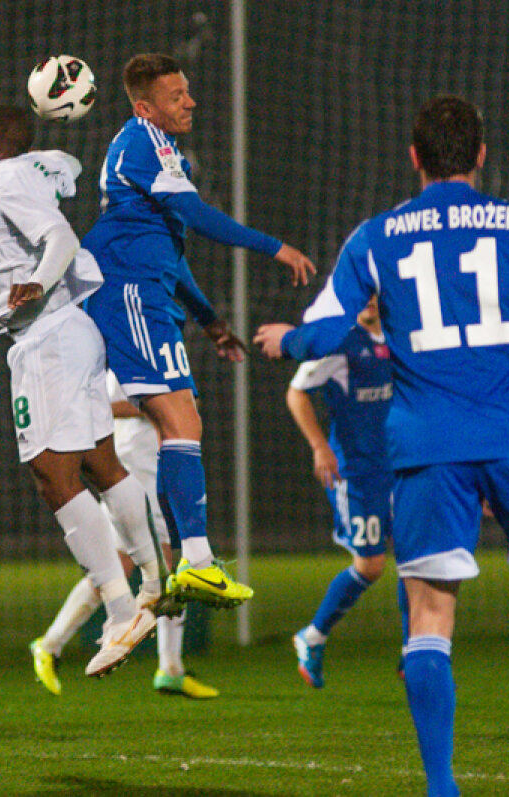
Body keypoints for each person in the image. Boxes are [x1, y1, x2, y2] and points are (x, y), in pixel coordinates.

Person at [254, 95, 509, 797]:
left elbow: (325, 333)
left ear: (414, 158)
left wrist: (286, 341)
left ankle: (442, 788)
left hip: (427, 445)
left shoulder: (375, 236)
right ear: (481, 154)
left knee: (429, 619)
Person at [81, 52, 316, 607]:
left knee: (180, 424)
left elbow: (172, 247)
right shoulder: (142, 142)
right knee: (178, 420)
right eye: (176, 96)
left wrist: (210, 321)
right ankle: (185, 563)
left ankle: (191, 562)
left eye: (187, 91)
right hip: (129, 293)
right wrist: (273, 247)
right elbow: (202, 217)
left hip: (148, 291)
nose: (190, 102)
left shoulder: (159, 150)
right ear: (145, 106)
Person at [0, 104, 171, 681]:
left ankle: (122, 611)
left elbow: (58, 235)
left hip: (46, 335)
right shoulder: (26, 172)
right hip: (66, 333)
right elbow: (68, 164)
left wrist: (37, 279)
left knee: (53, 475)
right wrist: (42, 157)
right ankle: (154, 578)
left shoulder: (4, 178)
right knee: (103, 464)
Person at [31, 370, 220, 699]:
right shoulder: (125, 356)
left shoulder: (161, 347)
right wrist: (161, 406)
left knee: (124, 568)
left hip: (154, 465)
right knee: (160, 570)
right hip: (134, 467)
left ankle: (51, 645)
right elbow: (106, 403)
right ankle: (169, 667)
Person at [284, 298, 409, 688]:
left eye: (376, 292)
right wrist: (320, 446)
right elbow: (296, 392)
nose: (371, 300)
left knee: (415, 558)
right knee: (371, 566)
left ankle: (414, 651)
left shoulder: (402, 334)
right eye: (364, 292)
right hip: (355, 472)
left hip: (402, 464)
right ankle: (313, 636)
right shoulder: (339, 342)